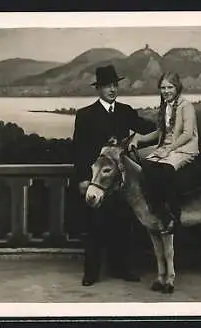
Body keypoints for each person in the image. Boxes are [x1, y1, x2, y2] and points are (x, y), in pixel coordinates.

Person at [72, 65, 155, 286]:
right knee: (94, 226)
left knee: (122, 224)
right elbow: (79, 151)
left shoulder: (126, 111)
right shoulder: (85, 115)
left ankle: (122, 268)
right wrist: (83, 179)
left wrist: (170, 124)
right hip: (97, 181)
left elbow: (148, 128)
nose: (112, 89)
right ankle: (91, 272)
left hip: (119, 182)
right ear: (98, 88)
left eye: (115, 85)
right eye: (107, 85)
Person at [131, 72, 201, 234]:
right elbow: (160, 132)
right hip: (167, 148)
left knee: (165, 169)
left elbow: (187, 134)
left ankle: (173, 217)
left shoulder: (186, 106)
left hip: (184, 148)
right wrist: (139, 139)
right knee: (146, 166)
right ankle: (157, 210)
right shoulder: (165, 106)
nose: (166, 91)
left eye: (170, 87)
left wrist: (168, 150)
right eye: (163, 88)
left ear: (177, 88)